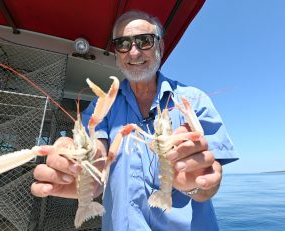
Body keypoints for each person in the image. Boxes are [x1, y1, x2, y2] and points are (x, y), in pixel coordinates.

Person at [31, 10, 238, 231]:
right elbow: (98, 153)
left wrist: (198, 185)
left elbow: (210, 180)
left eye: (144, 41)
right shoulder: (103, 106)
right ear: (117, 53)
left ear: (160, 47)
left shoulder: (194, 101)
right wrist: (78, 169)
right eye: (123, 44)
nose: (134, 52)